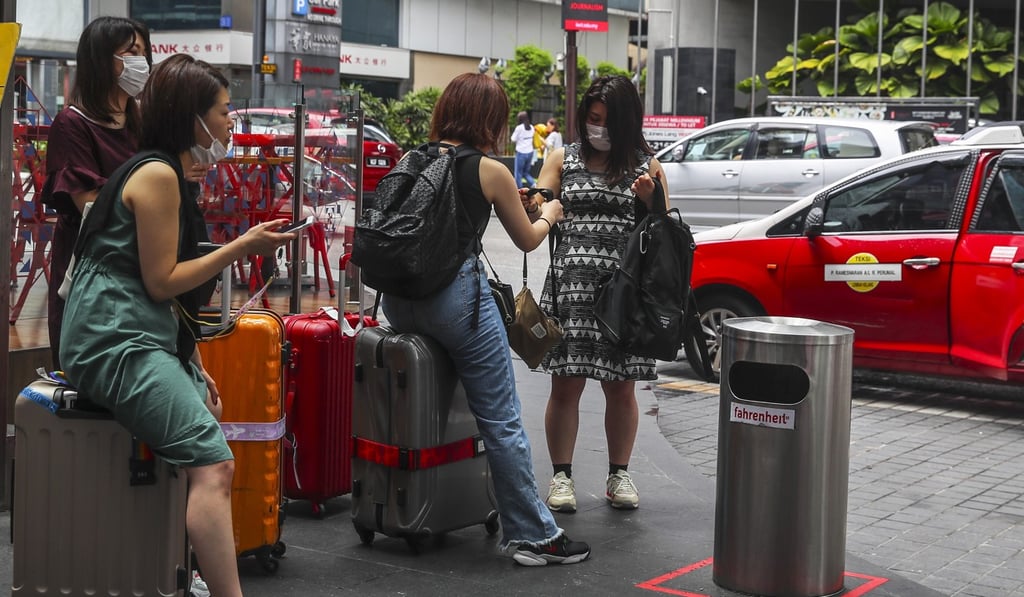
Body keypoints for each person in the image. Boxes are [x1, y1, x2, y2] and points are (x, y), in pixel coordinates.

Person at [59, 53, 298, 597]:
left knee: (208, 411)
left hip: (126, 331)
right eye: (222, 109)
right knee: (215, 465)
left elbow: (150, 287)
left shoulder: (157, 168)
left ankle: (176, 563)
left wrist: (188, 358)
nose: (230, 121)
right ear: (192, 117)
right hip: (113, 341)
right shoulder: (159, 175)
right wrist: (243, 245)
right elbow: (164, 280)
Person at [380, 72, 590, 567]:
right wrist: (551, 212)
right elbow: (528, 239)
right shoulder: (489, 169)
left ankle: (408, 501)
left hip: (398, 302)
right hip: (455, 305)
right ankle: (534, 536)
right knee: (501, 419)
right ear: (490, 120)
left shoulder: (414, 156)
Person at [532, 75, 667, 514]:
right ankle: (561, 477)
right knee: (566, 386)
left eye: (608, 121)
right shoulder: (562, 158)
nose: (598, 128)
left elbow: (666, 236)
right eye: (592, 118)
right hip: (571, 290)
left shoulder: (647, 166)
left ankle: (619, 474)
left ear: (628, 123)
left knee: (621, 389)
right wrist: (535, 203)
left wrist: (652, 203)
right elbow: (539, 200)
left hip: (623, 296)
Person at [41, 16, 153, 369]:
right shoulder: (72, 124)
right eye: (132, 51)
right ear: (102, 59)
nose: (142, 61)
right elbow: (89, 202)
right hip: (93, 270)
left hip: (143, 265)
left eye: (144, 52)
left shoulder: (142, 123)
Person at [510, 110, 536, 187]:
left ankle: (519, 190)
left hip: (521, 152)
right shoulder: (531, 127)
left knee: (518, 174)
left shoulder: (519, 128)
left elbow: (513, 139)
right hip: (530, 152)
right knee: (526, 173)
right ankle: (534, 184)